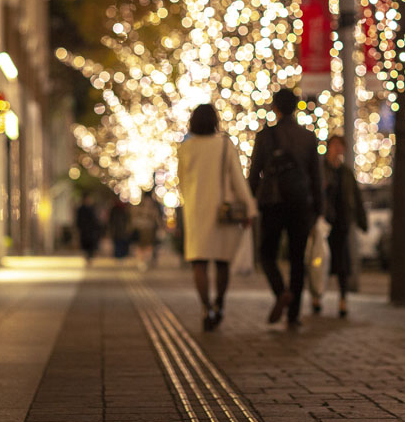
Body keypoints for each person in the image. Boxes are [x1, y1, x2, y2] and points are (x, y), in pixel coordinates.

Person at [177, 103, 257, 331]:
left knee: (199, 262)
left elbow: (181, 182)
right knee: (222, 262)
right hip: (222, 212)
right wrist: (249, 209)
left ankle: (205, 307)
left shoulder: (185, 148)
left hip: (195, 211)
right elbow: (237, 179)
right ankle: (219, 303)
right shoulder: (224, 145)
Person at [249, 88, 324, 328]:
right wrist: (319, 209)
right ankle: (293, 314)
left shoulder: (265, 136)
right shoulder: (308, 137)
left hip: (273, 202)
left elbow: (254, 174)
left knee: (266, 254)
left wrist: (251, 200)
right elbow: (316, 176)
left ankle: (281, 292)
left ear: (276, 108)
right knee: (297, 258)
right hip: (300, 204)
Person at [315, 135, 367, 317]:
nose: (338, 149)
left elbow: (355, 197)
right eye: (335, 145)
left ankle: (343, 300)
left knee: (342, 262)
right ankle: (317, 296)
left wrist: (361, 220)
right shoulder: (321, 170)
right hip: (324, 222)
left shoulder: (345, 172)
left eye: (340, 146)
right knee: (320, 261)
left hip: (341, 222)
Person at [131, 190, 162, 270]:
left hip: (140, 227)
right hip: (149, 227)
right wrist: (160, 226)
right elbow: (156, 216)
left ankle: (141, 261)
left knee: (140, 246)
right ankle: (145, 261)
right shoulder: (153, 205)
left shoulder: (140, 204)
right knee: (148, 245)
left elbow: (134, 215)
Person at [75, 192, 102, 265]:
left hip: (91, 231)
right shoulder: (81, 209)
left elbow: (95, 220)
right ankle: (88, 257)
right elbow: (78, 220)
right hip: (85, 231)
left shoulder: (92, 208)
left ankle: (90, 257)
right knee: (86, 245)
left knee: (91, 245)